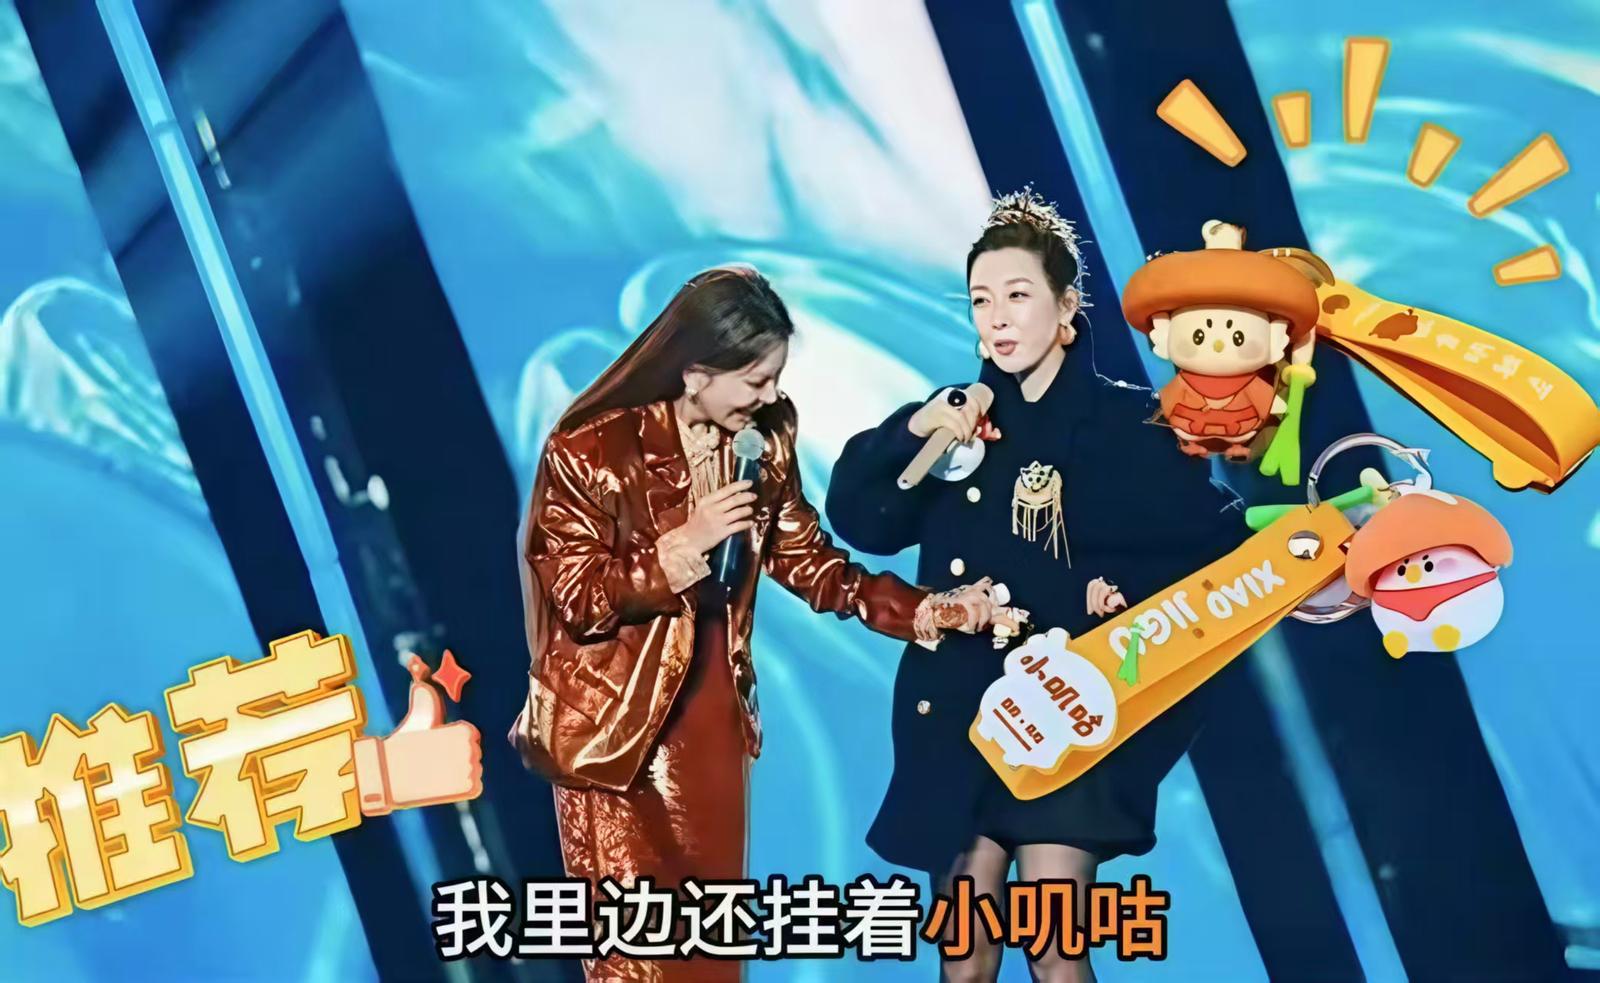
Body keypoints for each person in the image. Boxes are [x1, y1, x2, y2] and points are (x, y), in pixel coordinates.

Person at [511, 266, 996, 983]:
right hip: (615, 724)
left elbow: (808, 559)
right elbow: (578, 597)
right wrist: (683, 543)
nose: (770, 397)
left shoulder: (762, 442)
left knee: (712, 944)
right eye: (755, 380)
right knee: (639, 952)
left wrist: (919, 607)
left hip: (710, 712)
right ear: (696, 373)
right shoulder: (591, 451)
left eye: (776, 379)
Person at [825, 192, 1243, 983]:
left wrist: (1115, 588)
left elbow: (1214, 543)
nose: (998, 319)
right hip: (962, 708)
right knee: (965, 953)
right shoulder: (955, 423)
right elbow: (861, 517)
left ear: (1067, 307)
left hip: (1066, 710)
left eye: (1017, 295)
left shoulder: (1130, 423)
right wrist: (916, 427)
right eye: (982, 300)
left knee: (1054, 945)